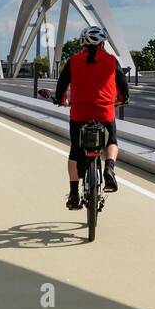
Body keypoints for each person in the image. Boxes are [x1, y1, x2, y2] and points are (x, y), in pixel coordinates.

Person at [53, 26, 129, 210]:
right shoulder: (111, 60)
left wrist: (60, 99)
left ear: (83, 44)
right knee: (111, 141)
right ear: (102, 44)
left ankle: (73, 195)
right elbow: (122, 85)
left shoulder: (73, 61)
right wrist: (123, 98)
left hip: (79, 113)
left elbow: (61, 86)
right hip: (104, 112)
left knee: (75, 152)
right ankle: (109, 167)